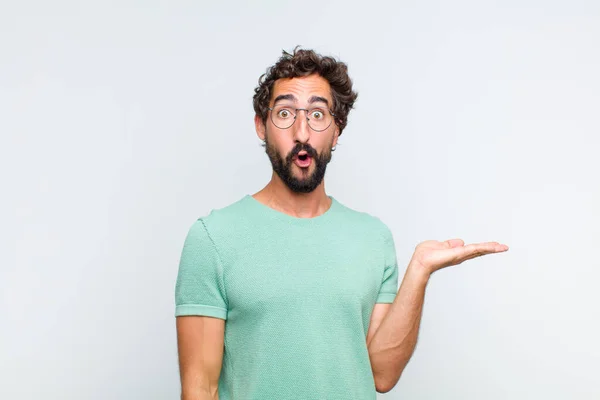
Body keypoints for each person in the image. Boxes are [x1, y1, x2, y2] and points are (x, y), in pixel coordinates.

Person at [174, 47, 508, 400]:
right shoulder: (212, 238)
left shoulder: (373, 238)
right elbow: (200, 388)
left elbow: (381, 374)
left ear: (337, 130)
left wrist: (419, 272)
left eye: (318, 114)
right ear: (261, 126)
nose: (302, 132)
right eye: (285, 113)